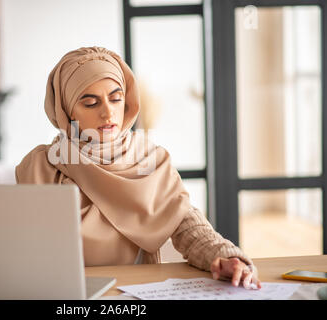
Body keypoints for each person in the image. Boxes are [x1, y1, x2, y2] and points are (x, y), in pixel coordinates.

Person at [15, 46, 261, 290]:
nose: (108, 112)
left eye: (116, 98)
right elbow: (20, 248)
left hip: (136, 291)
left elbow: (186, 223)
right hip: (65, 293)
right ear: (67, 112)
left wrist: (227, 257)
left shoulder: (148, 159)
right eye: (90, 103)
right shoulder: (41, 166)